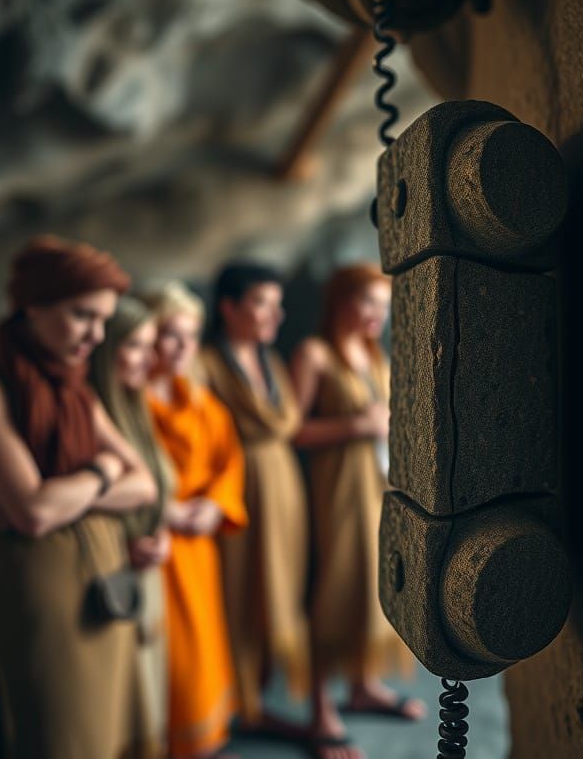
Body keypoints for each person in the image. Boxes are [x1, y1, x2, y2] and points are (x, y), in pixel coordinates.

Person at [0, 235, 157, 759]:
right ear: (31, 307)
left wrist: (79, 486)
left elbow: (146, 484)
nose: (97, 335)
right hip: (37, 598)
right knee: (56, 734)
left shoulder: (76, 391)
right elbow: (34, 512)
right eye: (83, 315)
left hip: (104, 587)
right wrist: (107, 471)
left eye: (105, 320)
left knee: (109, 730)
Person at [290, 263, 425, 759]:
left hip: (378, 484)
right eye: (367, 302)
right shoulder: (315, 354)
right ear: (340, 300)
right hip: (336, 489)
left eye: (383, 305)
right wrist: (356, 427)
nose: (377, 315)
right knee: (335, 586)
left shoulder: (373, 355)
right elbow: (293, 431)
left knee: (374, 581)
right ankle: (321, 708)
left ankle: (363, 686)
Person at [201, 262, 311, 736]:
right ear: (228, 307)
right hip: (237, 493)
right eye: (263, 303)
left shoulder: (275, 363)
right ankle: (232, 702)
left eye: (278, 304)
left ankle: (259, 698)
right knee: (238, 591)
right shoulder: (205, 363)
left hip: (284, 491)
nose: (276, 315)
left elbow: (288, 423)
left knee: (279, 589)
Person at [144, 281, 248, 759]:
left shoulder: (199, 399)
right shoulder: (129, 403)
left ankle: (202, 741)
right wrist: (165, 511)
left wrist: (214, 505)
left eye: (191, 334)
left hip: (197, 548)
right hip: (152, 550)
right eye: (171, 334)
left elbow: (229, 459)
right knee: (168, 660)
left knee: (203, 649)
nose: (184, 346)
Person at [89, 296, 174, 757]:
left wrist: (157, 532)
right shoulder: (88, 413)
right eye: (138, 347)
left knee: (149, 705)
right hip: (105, 576)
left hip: (145, 574)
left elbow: (156, 488)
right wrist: (126, 541)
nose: (153, 358)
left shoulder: (134, 405)